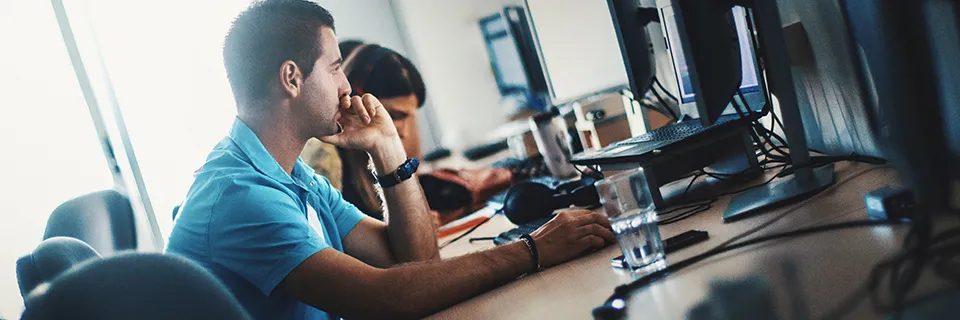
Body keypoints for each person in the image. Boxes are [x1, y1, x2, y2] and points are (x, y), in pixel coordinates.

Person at [165, 1, 616, 319]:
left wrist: (388, 151)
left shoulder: (291, 173)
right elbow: (386, 297)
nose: (348, 87)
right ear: (292, 78)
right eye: (336, 67)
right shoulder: (239, 197)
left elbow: (414, 260)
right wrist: (533, 249)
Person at [300, 40, 426, 220]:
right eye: (395, 115)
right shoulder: (326, 156)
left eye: (408, 116)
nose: (404, 132)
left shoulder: (376, 153)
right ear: (358, 100)